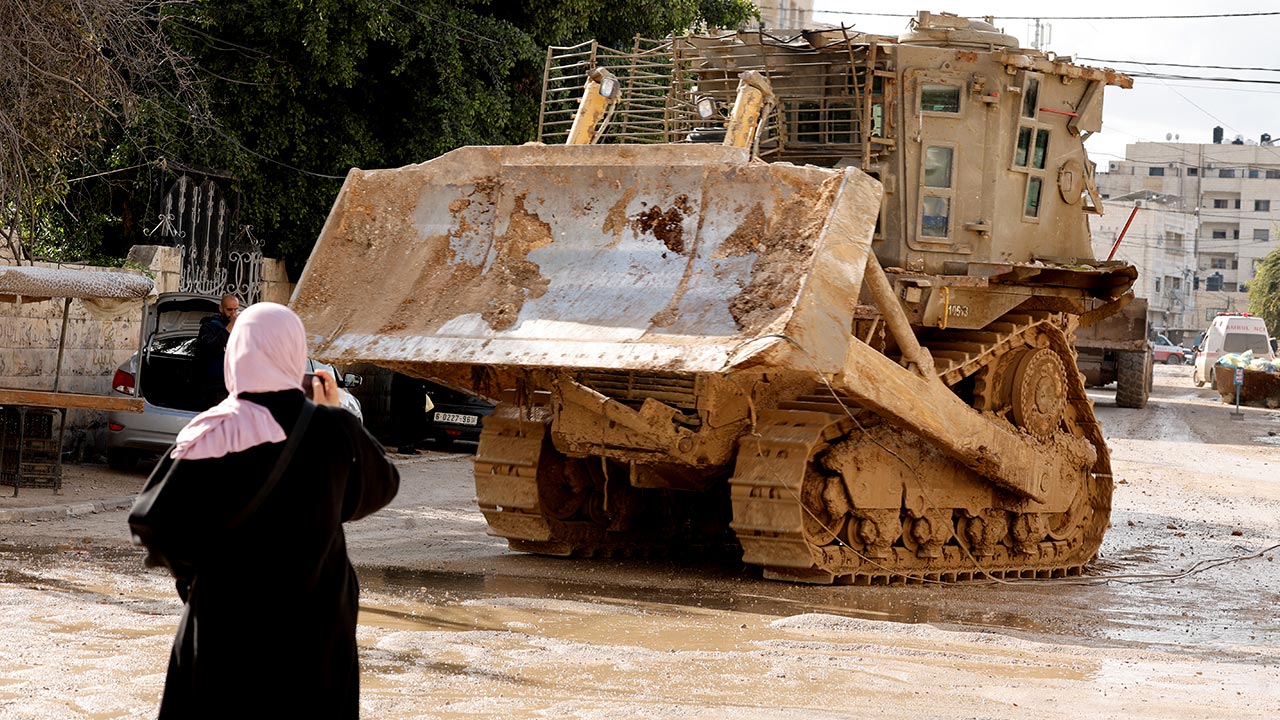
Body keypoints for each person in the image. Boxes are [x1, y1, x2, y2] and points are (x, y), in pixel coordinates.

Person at [135, 302, 399, 719]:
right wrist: (334, 416)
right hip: (315, 630)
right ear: (295, 353)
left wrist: (197, 581)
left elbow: (153, 522)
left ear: (235, 352)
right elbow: (380, 488)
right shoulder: (332, 430)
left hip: (224, 627)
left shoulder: (211, 430)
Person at [193, 293, 240, 409]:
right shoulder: (209, 326)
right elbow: (211, 349)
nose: (233, 313)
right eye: (229, 310)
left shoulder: (240, 328)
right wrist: (230, 327)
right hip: (215, 386)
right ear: (221, 309)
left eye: (236, 309)